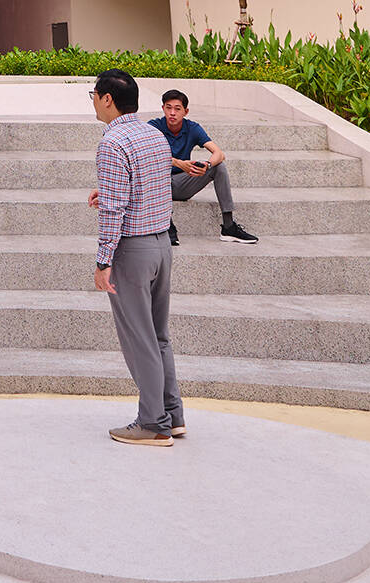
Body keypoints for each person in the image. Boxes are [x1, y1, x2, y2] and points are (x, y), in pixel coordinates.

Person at [88, 69, 182, 446]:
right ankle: (173, 415)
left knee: (139, 339)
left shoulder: (112, 143)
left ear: (107, 99)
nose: (94, 102)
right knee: (158, 336)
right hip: (161, 245)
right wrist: (108, 191)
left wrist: (103, 261)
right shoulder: (154, 135)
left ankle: (153, 423)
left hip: (133, 250)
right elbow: (152, 186)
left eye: (94, 95)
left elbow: (114, 211)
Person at [150, 89, 258, 245]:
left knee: (219, 167)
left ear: (185, 112)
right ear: (163, 108)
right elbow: (145, 154)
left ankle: (229, 226)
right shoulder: (154, 126)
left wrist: (207, 165)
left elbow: (219, 153)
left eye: (177, 109)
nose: (172, 113)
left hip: (181, 184)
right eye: (168, 108)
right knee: (152, 166)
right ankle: (167, 225)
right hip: (156, 185)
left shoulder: (192, 128)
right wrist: (178, 163)